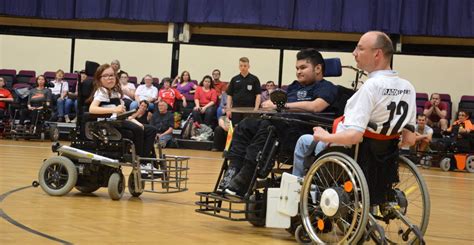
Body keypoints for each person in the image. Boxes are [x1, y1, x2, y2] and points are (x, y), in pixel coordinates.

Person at [292, 31, 416, 206]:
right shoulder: (408, 88)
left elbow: (354, 136)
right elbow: (409, 140)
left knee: (304, 141)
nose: (354, 53)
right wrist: (384, 139)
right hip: (385, 160)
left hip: (351, 154)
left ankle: (297, 199)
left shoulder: (371, 87)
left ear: (377, 54)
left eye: (360, 48)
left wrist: (325, 136)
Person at [220, 49, 338, 196]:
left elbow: (316, 106)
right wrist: (270, 104)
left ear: (318, 68)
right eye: (297, 68)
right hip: (279, 124)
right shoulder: (294, 86)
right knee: (245, 125)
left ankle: (245, 178)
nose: (298, 72)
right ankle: (232, 170)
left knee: (268, 127)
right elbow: (276, 101)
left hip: (300, 132)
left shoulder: (327, 87)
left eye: (303, 68)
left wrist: (281, 106)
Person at [87, 64, 156, 159]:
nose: (109, 78)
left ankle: (146, 159)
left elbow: (123, 114)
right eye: (105, 76)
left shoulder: (115, 92)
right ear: (99, 79)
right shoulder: (101, 91)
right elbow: (92, 109)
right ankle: (140, 160)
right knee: (138, 129)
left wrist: (136, 121)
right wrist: (114, 109)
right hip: (109, 124)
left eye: (111, 75)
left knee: (151, 130)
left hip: (120, 120)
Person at [226, 57, 261, 125]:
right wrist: (228, 109)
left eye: (245, 66)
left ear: (249, 66)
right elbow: (229, 95)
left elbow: (258, 95)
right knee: (236, 127)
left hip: (250, 109)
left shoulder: (254, 79)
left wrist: (256, 109)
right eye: (241, 65)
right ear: (239, 66)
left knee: (248, 128)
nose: (243, 67)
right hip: (236, 109)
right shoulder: (234, 79)